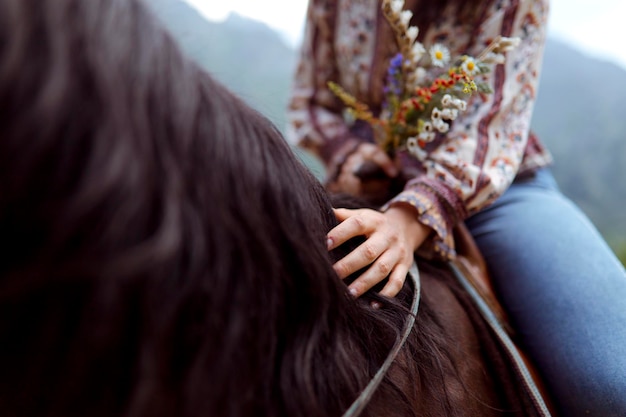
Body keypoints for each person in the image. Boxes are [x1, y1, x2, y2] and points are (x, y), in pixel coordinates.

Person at [287, 0, 626, 415]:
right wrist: (352, 154)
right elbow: (310, 102)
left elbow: (494, 123)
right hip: (367, 178)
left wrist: (409, 217)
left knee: (612, 381)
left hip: (494, 188)